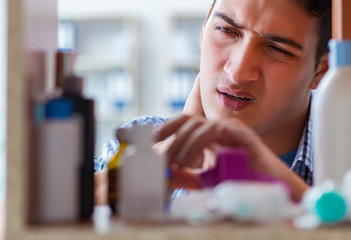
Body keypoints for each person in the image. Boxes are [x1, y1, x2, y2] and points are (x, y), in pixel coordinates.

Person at [95, 0, 331, 202]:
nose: (238, 72)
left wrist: (299, 197)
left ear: (321, 69)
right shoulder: (133, 145)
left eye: (278, 49)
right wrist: (158, 163)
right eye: (227, 31)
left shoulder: (350, 164)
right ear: (204, 27)